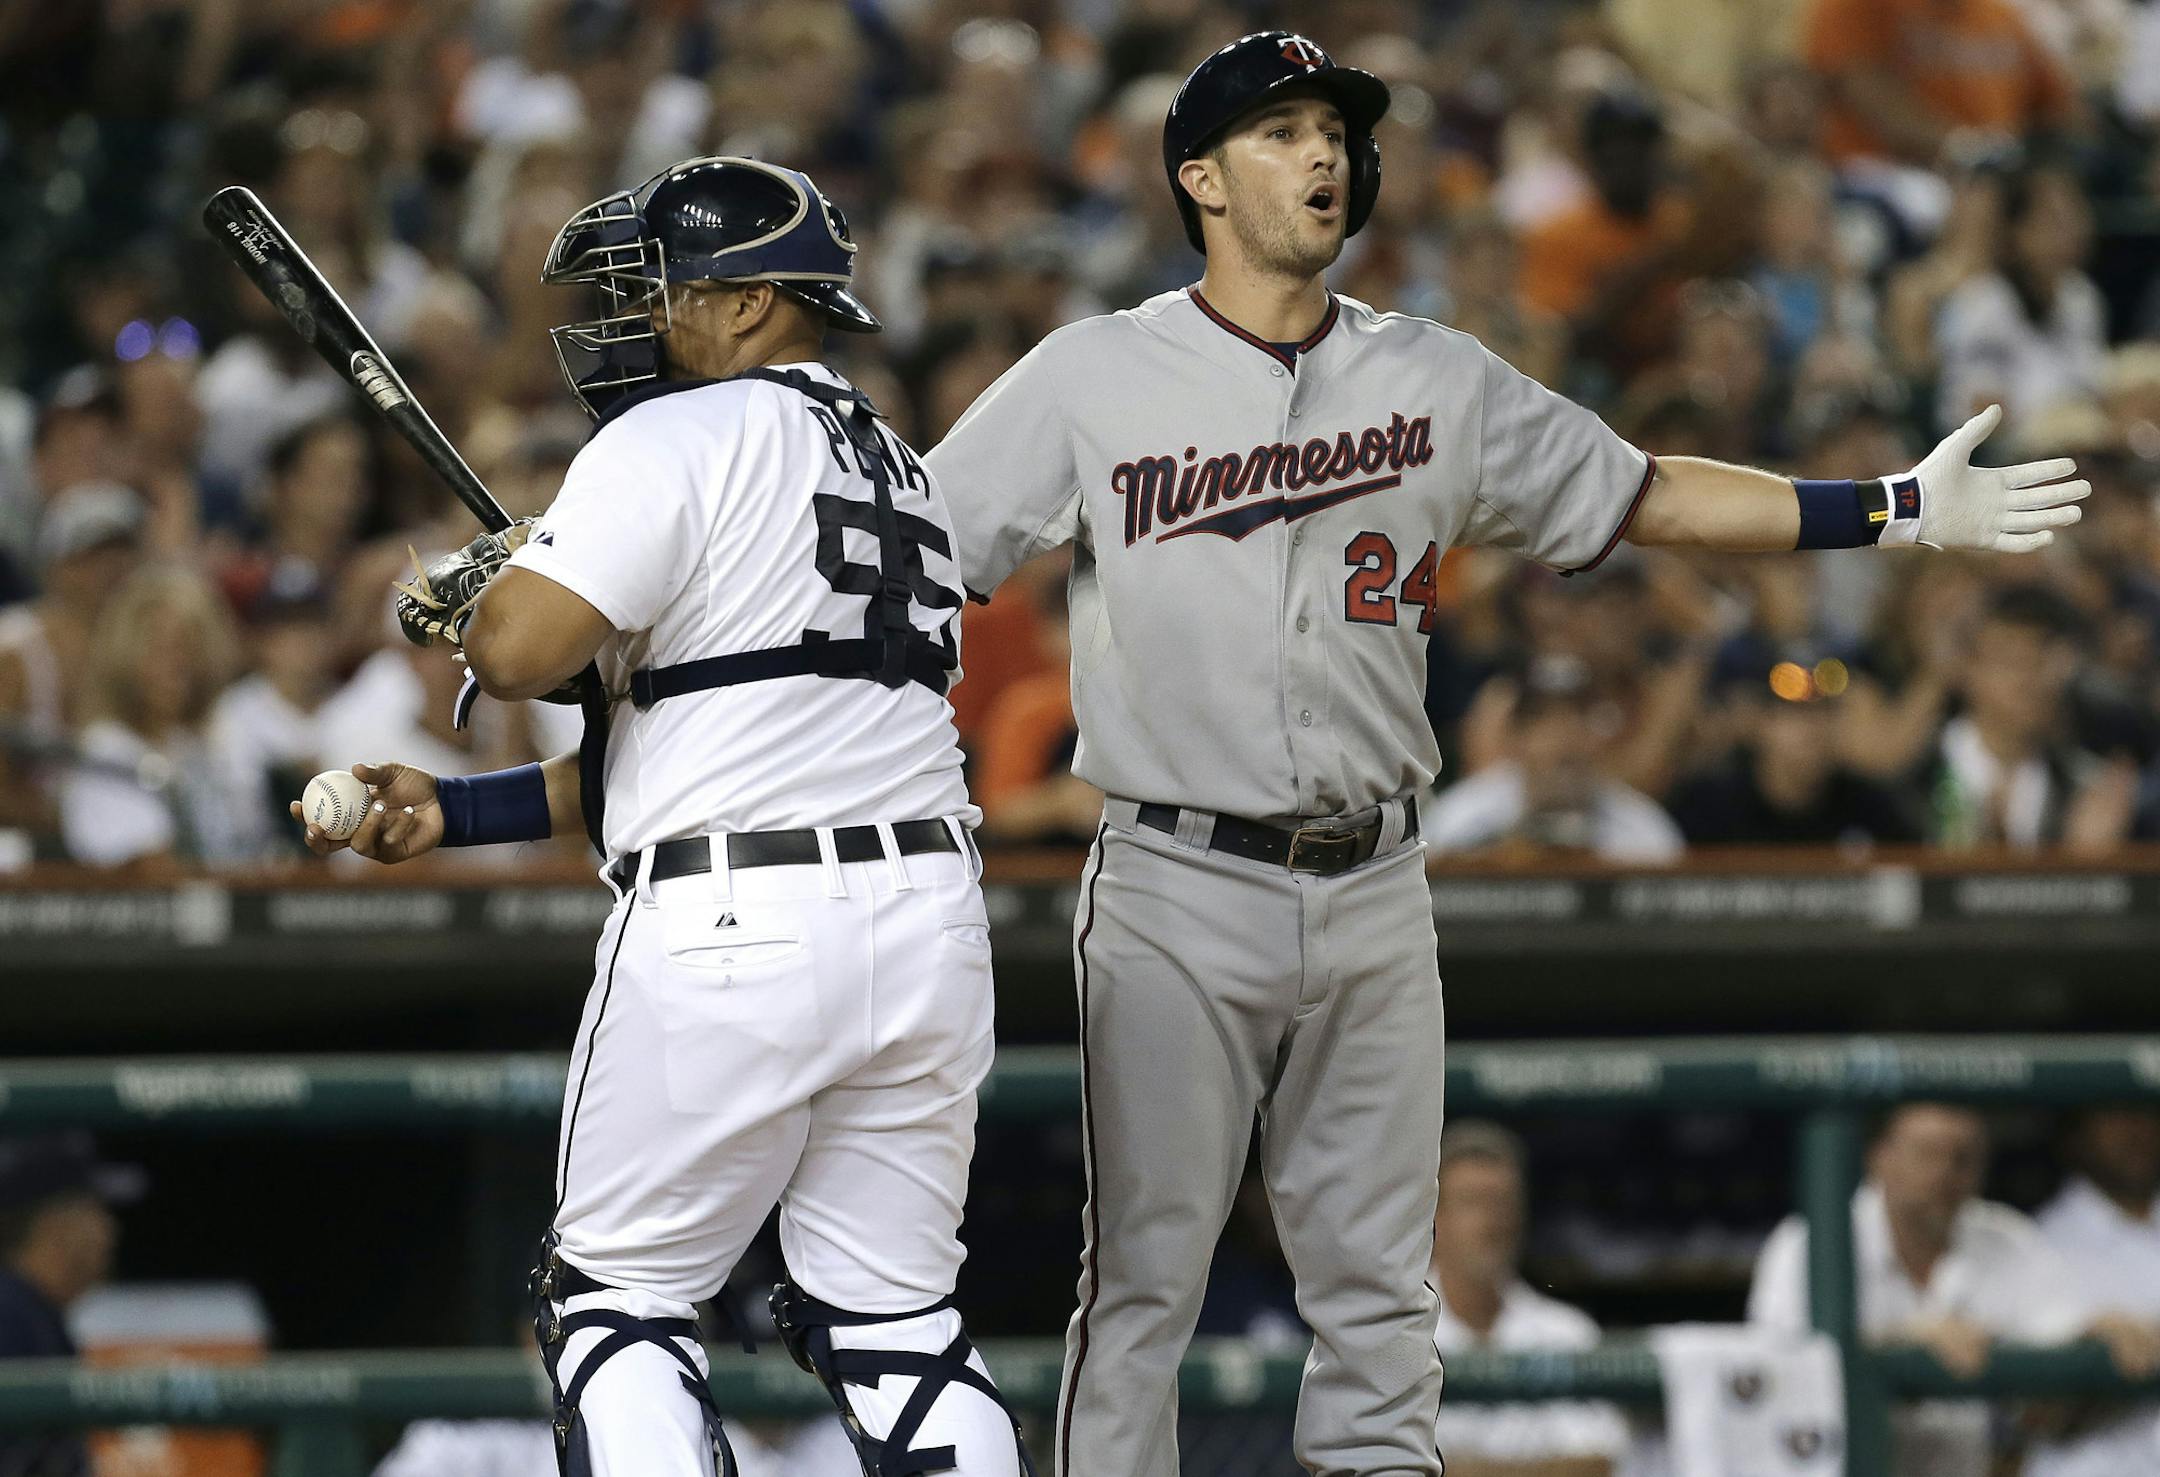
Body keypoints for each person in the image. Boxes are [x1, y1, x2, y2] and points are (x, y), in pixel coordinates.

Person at [922, 29, 2087, 1477]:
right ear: (1201, 178)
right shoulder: (1094, 372)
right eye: (1285, 132)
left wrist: (1889, 509)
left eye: (1336, 130)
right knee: (1147, 1280)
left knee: (1378, 1294)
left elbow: (1643, 491)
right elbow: (919, 556)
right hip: (1176, 869)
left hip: (1376, 875)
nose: (1325, 154)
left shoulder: (1435, 376)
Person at [293, 157, 1031, 1477]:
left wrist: (518, 576)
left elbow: (515, 653)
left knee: (614, 1299)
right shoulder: (900, 465)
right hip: (925, 927)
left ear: (750, 305)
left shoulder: (674, 435)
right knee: (897, 1321)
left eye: (664, 288)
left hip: (731, 925)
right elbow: (699, 734)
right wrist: (458, 812)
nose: (639, 316)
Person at [1748, 1103, 2159, 1477]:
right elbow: (1774, 1390)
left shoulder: (2008, 1240)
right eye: (1928, 1153)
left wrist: (2092, 1339)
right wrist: (1897, 1345)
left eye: (1963, 1157)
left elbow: (2049, 1396)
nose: (1946, 1173)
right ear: (1880, 1157)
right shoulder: (1808, 1243)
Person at [1428, 1123, 1628, 1477]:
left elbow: (1597, 1463)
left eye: (1503, 1203)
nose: (1493, 1221)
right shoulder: (1398, 1331)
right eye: (1474, 1203)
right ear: (1435, 1217)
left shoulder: (1566, 1331)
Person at [1422, 655, 1685, 863]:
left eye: (1580, 716)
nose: (1564, 739)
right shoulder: (1459, 821)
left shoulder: (1645, 832)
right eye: (1543, 719)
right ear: (1516, 737)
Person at [2025, 1107, 2160, 1477]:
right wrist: (2094, 1350)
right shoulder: (2036, 1244)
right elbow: (2028, 1415)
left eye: (2145, 1110)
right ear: (2077, 1131)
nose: (2137, 1128)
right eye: (2116, 1113)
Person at [0, 1134, 138, 1477]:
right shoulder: (10, 1318)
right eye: (96, 1208)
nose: (111, 1228)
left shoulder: (32, 1313)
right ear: (57, 1223)